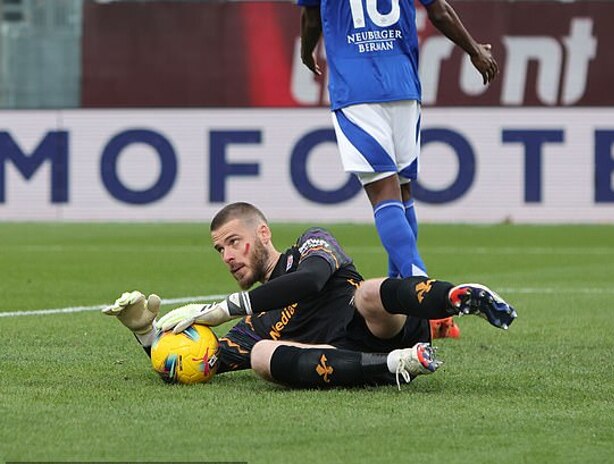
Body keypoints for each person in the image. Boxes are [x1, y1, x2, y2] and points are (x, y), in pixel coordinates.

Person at [103, 202, 516, 389]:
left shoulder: (311, 245)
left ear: (263, 233)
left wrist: (225, 309)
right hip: (355, 358)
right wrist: (144, 333)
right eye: (220, 250)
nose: (228, 256)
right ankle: (393, 367)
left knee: (370, 292)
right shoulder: (252, 327)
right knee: (261, 356)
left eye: (234, 242)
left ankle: (457, 297)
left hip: (387, 325)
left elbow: (312, 281)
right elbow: (191, 364)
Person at [297, 0, 499, 338]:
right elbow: (440, 11)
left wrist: (307, 51)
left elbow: (312, 17)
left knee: (383, 193)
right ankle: (407, 306)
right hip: (403, 86)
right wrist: (474, 49)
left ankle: (426, 295)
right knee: (402, 194)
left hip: (357, 89)